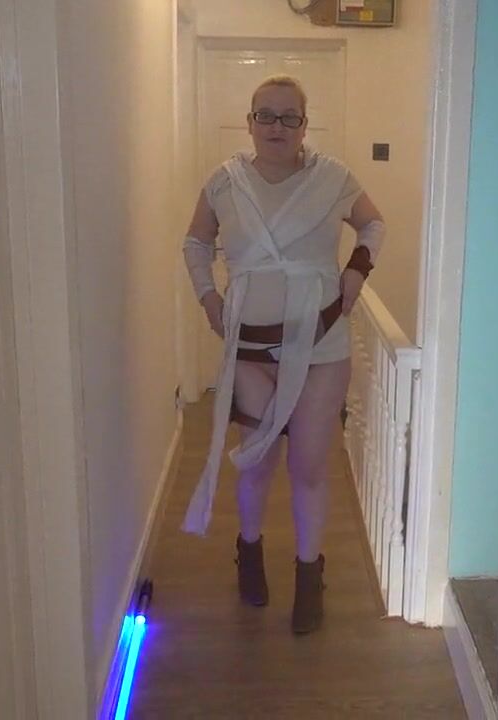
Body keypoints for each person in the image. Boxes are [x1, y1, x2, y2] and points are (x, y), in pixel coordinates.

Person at [179, 75, 385, 634]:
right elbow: (195, 242)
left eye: (289, 116)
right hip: (251, 347)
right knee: (258, 460)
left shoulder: (333, 178)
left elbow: (373, 223)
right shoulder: (224, 182)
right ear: (249, 122)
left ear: (304, 125)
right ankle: (248, 551)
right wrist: (207, 296)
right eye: (265, 115)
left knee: (309, 466)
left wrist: (357, 269)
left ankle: (309, 573)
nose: (277, 126)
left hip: (320, 343)